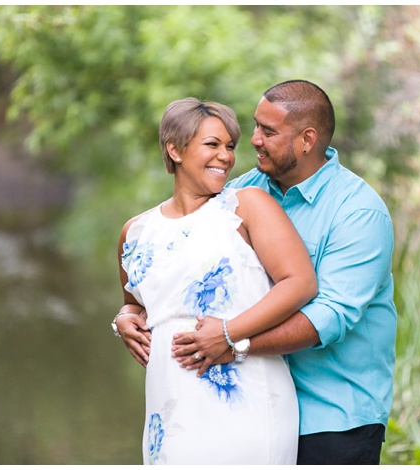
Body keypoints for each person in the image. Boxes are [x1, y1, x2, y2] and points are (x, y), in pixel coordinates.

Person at [121, 80, 398, 465]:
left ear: (307, 139)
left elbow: (330, 316)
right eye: (254, 127)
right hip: (241, 398)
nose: (252, 141)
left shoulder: (358, 212)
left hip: (332, 412)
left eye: (268, 132)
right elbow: (183, 261)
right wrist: (129, 312)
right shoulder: (240, 192)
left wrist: (235, 341)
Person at [113, 97, 317, 465]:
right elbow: (139, 302)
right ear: (174, 149)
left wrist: (228, 332)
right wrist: (124, 319)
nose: (225, 156)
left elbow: (299, 283)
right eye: (212, 145)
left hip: (245, 396)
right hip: (170, 406)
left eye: (229, 147)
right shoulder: (136, 232)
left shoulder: (246, 206)